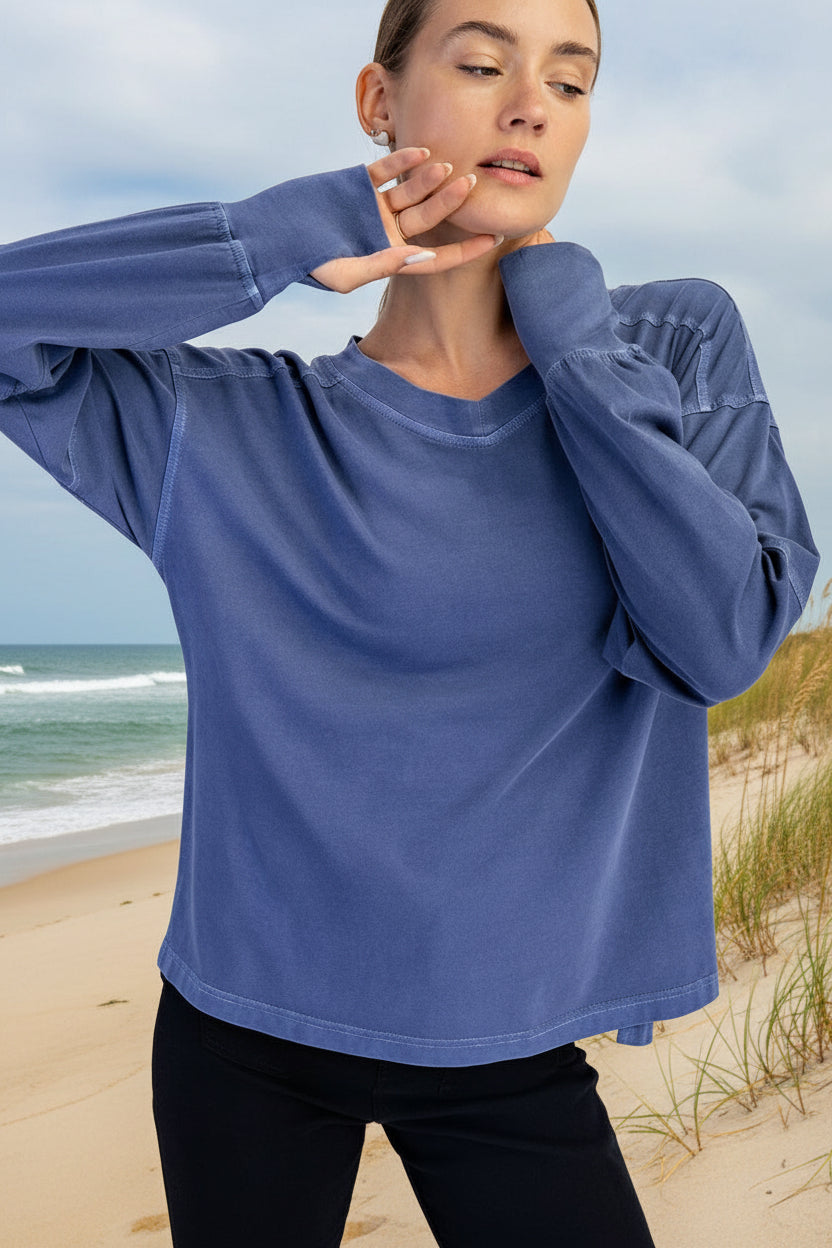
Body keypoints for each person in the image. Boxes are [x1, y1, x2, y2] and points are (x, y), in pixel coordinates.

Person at [0, 0, 820, 1243]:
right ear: (379, 102)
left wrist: (571, 339)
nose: (529, 102)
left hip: (516, 1049)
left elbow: (718, 640)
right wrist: (279, 236)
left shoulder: (666, 338)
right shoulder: (226, 429)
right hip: (242, 1042)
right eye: (482, 61)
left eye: (572, 78)